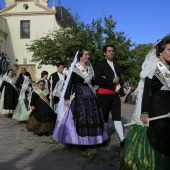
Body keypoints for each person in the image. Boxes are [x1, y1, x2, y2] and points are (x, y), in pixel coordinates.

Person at [120, 37, 170, 169]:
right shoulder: (152, 66)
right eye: (169, 50)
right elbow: (146, 91)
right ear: (160, 52)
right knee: (158, 133)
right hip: (157, 105)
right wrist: (144, 111)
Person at [52, 49, 108, 148]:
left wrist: (102, 80)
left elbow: (93, 81)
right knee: (80, 116)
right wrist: (67, 98)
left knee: (92, 116)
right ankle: (81, 141)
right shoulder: (74, 68)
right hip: (78, 95)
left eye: (88, 54)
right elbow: (69, 83)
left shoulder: (90, 68)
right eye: (86, 54)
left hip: (90, 96)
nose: (88, 56)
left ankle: (95, 139)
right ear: (81, 56)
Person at [94, 44, 125, 148]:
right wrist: (111, 80)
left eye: (113, 51)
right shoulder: (99, 64)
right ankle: (103, 138)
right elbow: (97, 79)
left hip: (115, 95)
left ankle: (122, 139)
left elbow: (120, 80)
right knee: (104, 117)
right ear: (104, 53)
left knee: (117, 117)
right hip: (104, 95)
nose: (112, 52)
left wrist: (122, 94)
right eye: (109, 51)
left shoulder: (116, 65)